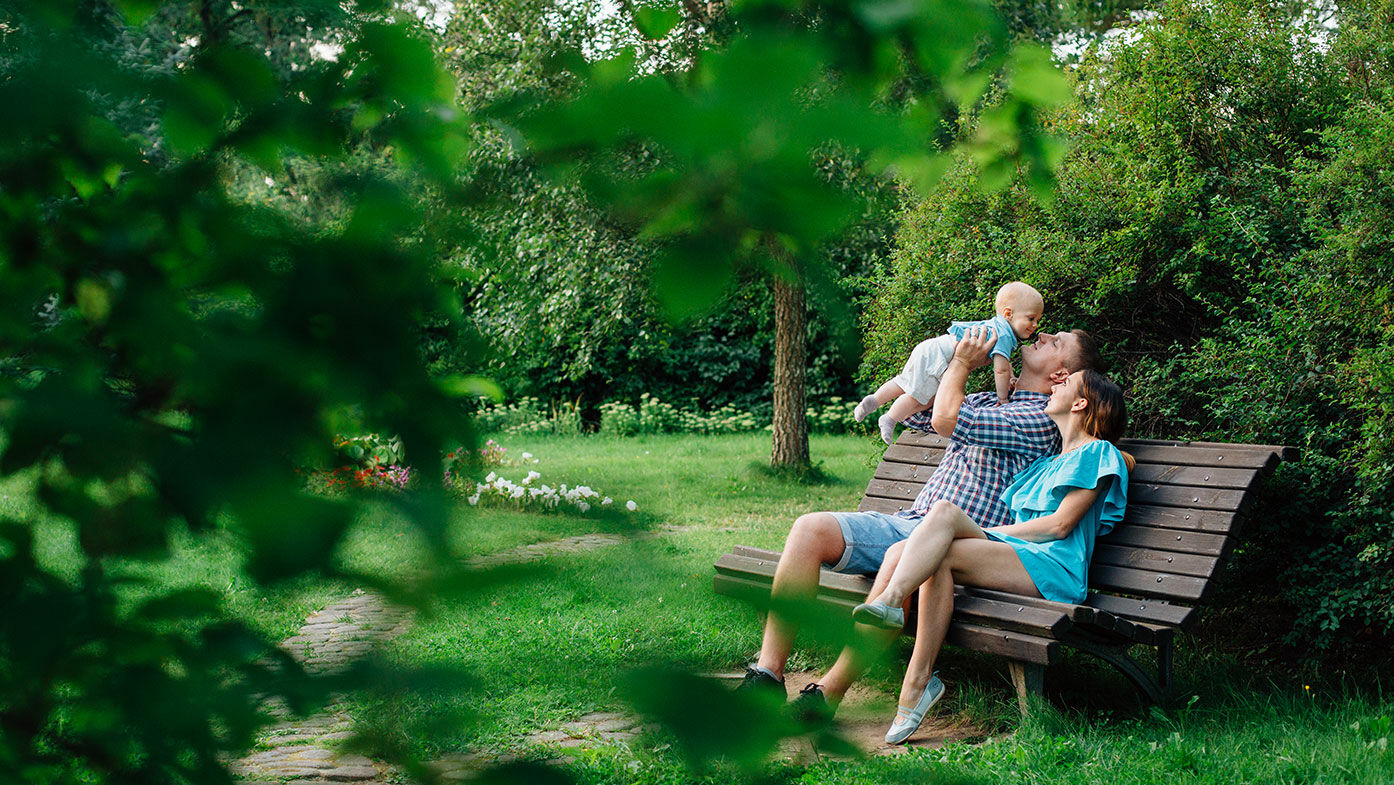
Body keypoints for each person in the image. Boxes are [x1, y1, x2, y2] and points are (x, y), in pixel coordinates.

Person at [737, 324, 1105, 723]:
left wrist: (962, 365)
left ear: (1061, 376)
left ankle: (825, 696)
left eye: (1057, 342)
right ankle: (767, 674)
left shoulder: (1038, 419)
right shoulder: (990, 400)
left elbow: (947, 420)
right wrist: (942, 356)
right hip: (910, 520)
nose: (1044, 335)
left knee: (899, 558)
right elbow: (918, 413)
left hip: (950, 538)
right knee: (810, 529)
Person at [852, 369, 1133, 744]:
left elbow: (1061, 525)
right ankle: (917, 683)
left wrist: (989, 535)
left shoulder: (1099, 452)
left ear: (1081, 403)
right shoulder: (1046, 464)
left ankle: (891, 605)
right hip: (1019, 559)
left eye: (1066, 384)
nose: (1054, 385)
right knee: (939, 544)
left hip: (1055, 570)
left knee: (945, 516)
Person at [854, 282, 1044, 444]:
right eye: (1031, 318)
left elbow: (1004, 365)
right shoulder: (1002, 334)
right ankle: (889, 418)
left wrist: (1011, 377)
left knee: (906, 382)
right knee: (922, 398)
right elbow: (1000, 369)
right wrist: (1002, 400)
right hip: (940, 355)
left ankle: (874, 400)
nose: (1035, 325)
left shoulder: (998, 328)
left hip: (933, 348)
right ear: (1008, 313)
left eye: (1037, 320)